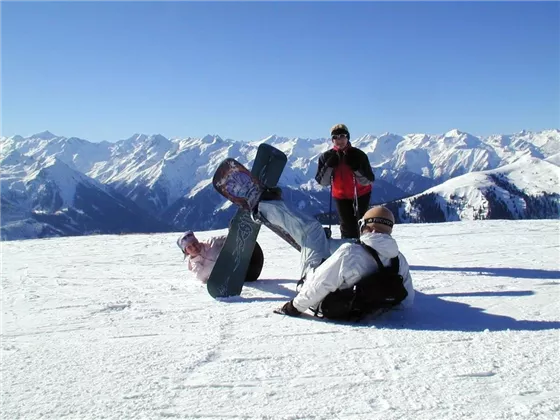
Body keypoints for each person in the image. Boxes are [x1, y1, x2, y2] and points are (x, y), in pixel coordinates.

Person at [271, 205, 414, 319]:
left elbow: (319, 284)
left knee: (312, 231)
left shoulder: (350, 252)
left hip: (329, 306)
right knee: (336, 264)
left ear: (367, 227)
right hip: (363, 308)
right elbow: (407, 300)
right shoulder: (399, 259)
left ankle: (266, 206)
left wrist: (293, 307)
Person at [315, 123, 375, 239]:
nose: (339, 140)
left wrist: (356, 168)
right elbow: (323, 182)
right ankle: (349, 250)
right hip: (340, 196)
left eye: (342, 136)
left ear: (347, 137)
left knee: (362, 223)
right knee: (347, 226)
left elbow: (368, 180)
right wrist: (329, 166)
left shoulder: (358, 155)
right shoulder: (326, 157)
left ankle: (366, 248)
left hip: (361, 194)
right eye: (335, 137)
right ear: (332, 140)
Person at [176, 231, 263, 283]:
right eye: (189, 247)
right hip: (246, 275)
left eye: (194, 243)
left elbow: (232, 237)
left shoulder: (213, 242)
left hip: (251, 258)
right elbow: (201, 276)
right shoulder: (195, 265)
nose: (194, 247)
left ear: (197, 241)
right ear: (186, 252)